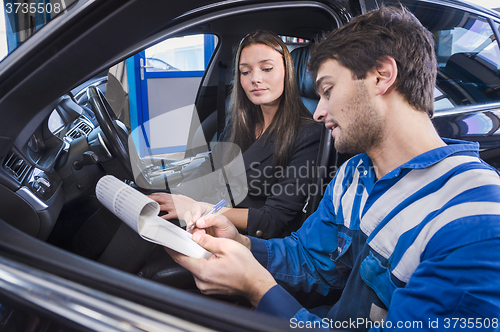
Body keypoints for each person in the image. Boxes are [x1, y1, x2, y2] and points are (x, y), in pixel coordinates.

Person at [166, 5, 500, 331]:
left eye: (327, 90)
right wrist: (243, 243)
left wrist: (257, 289)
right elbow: (311, 259)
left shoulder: (473, 218)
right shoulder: (354, 174)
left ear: (382, 76)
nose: (318, 112)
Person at [149, 30, 322, 239]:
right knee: (147, 217)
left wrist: (198, 208)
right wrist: (177, 196)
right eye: (245, 71)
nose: (255, 79)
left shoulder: (309, 134)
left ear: (288, 72)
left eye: (266, 68)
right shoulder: (240, 121)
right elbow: (210, 166)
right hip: (208, 218)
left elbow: (272, 220)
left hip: (247, 239)